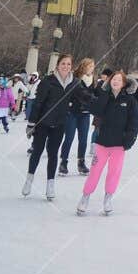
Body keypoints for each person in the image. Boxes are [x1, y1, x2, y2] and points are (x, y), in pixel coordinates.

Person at [80, 69, 138, 215]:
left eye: (119, 79)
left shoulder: (130, 100)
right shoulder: (104, 96)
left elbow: (133, 123)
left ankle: (108, 198)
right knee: (95, 171)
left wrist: (129, 140)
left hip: (119, 145)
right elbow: (96, 110)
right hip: (102, 142)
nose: (115, 81)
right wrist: (102, 96)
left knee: (114, 172)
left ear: (124, 83)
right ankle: (85, 197)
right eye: (113, 79)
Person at [23, 53, 80, 200]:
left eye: (68, 64)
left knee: (53, 154)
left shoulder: (74, 83)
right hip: (43, 123)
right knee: (37, 151)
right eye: (63, 63)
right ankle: (29, 179)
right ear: (57, 65)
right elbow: (38, 103)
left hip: (60, 124)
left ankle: (50, 185)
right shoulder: (48, 81)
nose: (66, 66)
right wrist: (31, 123)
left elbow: (81, 98)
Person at [67, 57, 97, 174]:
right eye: (89, 66)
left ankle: (81, 162)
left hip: (85, 113)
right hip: (73, 111)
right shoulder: (75, 78)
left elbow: (95, 93)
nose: (92, 68)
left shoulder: (93, 79)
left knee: (83, 139)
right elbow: (78, 93)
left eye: (93, 66)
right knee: (69, 138)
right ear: (84, 66)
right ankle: (64, 162)